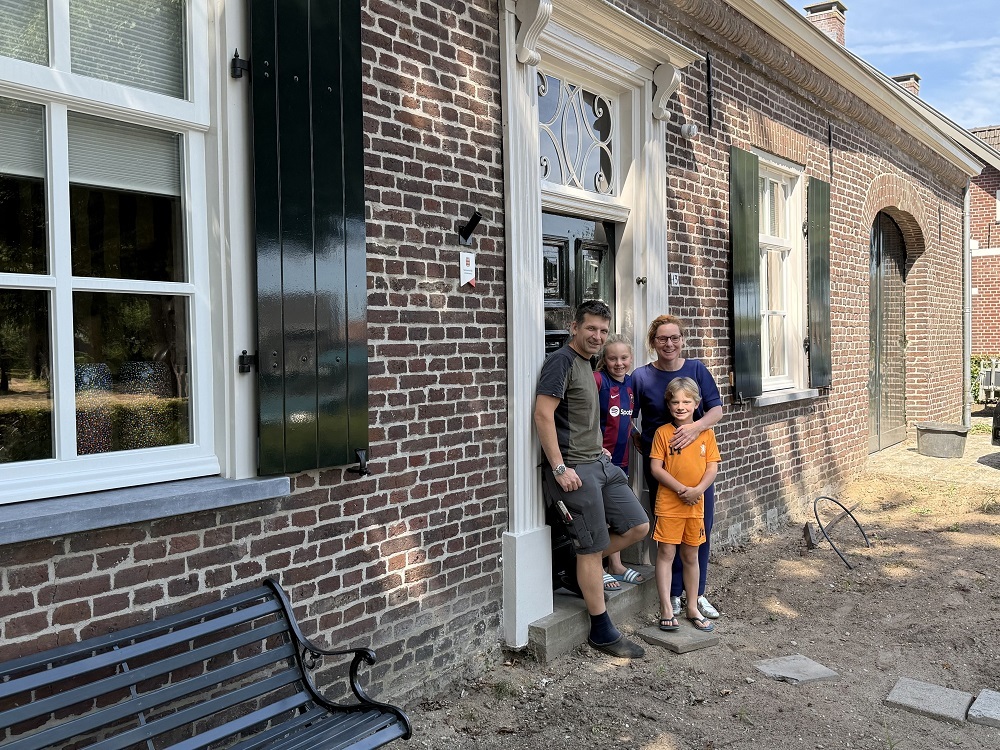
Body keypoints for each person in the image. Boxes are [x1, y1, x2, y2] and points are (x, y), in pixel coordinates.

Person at [534, 299, 648, 659]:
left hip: (600, 464)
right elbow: (543, 414)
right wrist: (558, 468)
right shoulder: (562, 361)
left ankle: (573, 565)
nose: (597, 336)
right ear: (575, 327)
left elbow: (582, 416)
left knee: (638, 525)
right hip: (574, 470)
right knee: (592, 548)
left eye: (603, 330)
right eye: (591, 329)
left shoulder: (588, 363)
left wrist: (598, 446)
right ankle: (601, 629)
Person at [632, 314, 723, 620]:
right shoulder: (641, 376)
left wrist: (694, 429)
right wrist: (636, 436)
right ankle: (673, 595)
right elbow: (626, 413)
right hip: (662, 466)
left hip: (697, 466)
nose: (668, 344)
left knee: (700, 528)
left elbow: (716, 410)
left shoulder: (696, 369)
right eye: (662, 338)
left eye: (674, 338)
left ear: (682, 340)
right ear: (653, 342)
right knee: (669, 533)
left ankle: (697, 594)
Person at [649, 378, 721, 632]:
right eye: (676, 402)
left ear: (696, 404)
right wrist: (681, 489)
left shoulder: (706, 433)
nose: (681, 406)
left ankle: (692, 606)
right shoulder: (663, 433)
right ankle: (666, 608)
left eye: (687, 401)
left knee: (691, 556)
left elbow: (712, 467)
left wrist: (698, 490)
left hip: (695, 504)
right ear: (668, 405)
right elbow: (656, 468)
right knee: (666, 554)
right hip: (670, 505)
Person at [594, 334, 645, 591]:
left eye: (624, 358)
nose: (619, 363)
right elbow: (584, 416)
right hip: (598, 461)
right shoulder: (598, 381)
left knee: (616, 515)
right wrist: (594, 445)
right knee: (601, 514)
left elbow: (626, 418)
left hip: (622, 459)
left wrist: (635, 433)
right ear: (604, 359)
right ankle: (598, 566)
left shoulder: (630, 384)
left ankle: (616, 564)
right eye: (612, 358)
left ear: (631, 358)